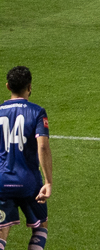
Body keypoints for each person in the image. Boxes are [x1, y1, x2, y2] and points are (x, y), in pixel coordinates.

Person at [0, 66, 52, 250]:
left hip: (2, 182)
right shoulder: (37, 112)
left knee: (1, 230)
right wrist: (48, 181)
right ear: (29, 87)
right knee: (40, 228)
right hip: (29, 182)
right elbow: (43, 146)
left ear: (8, 86)